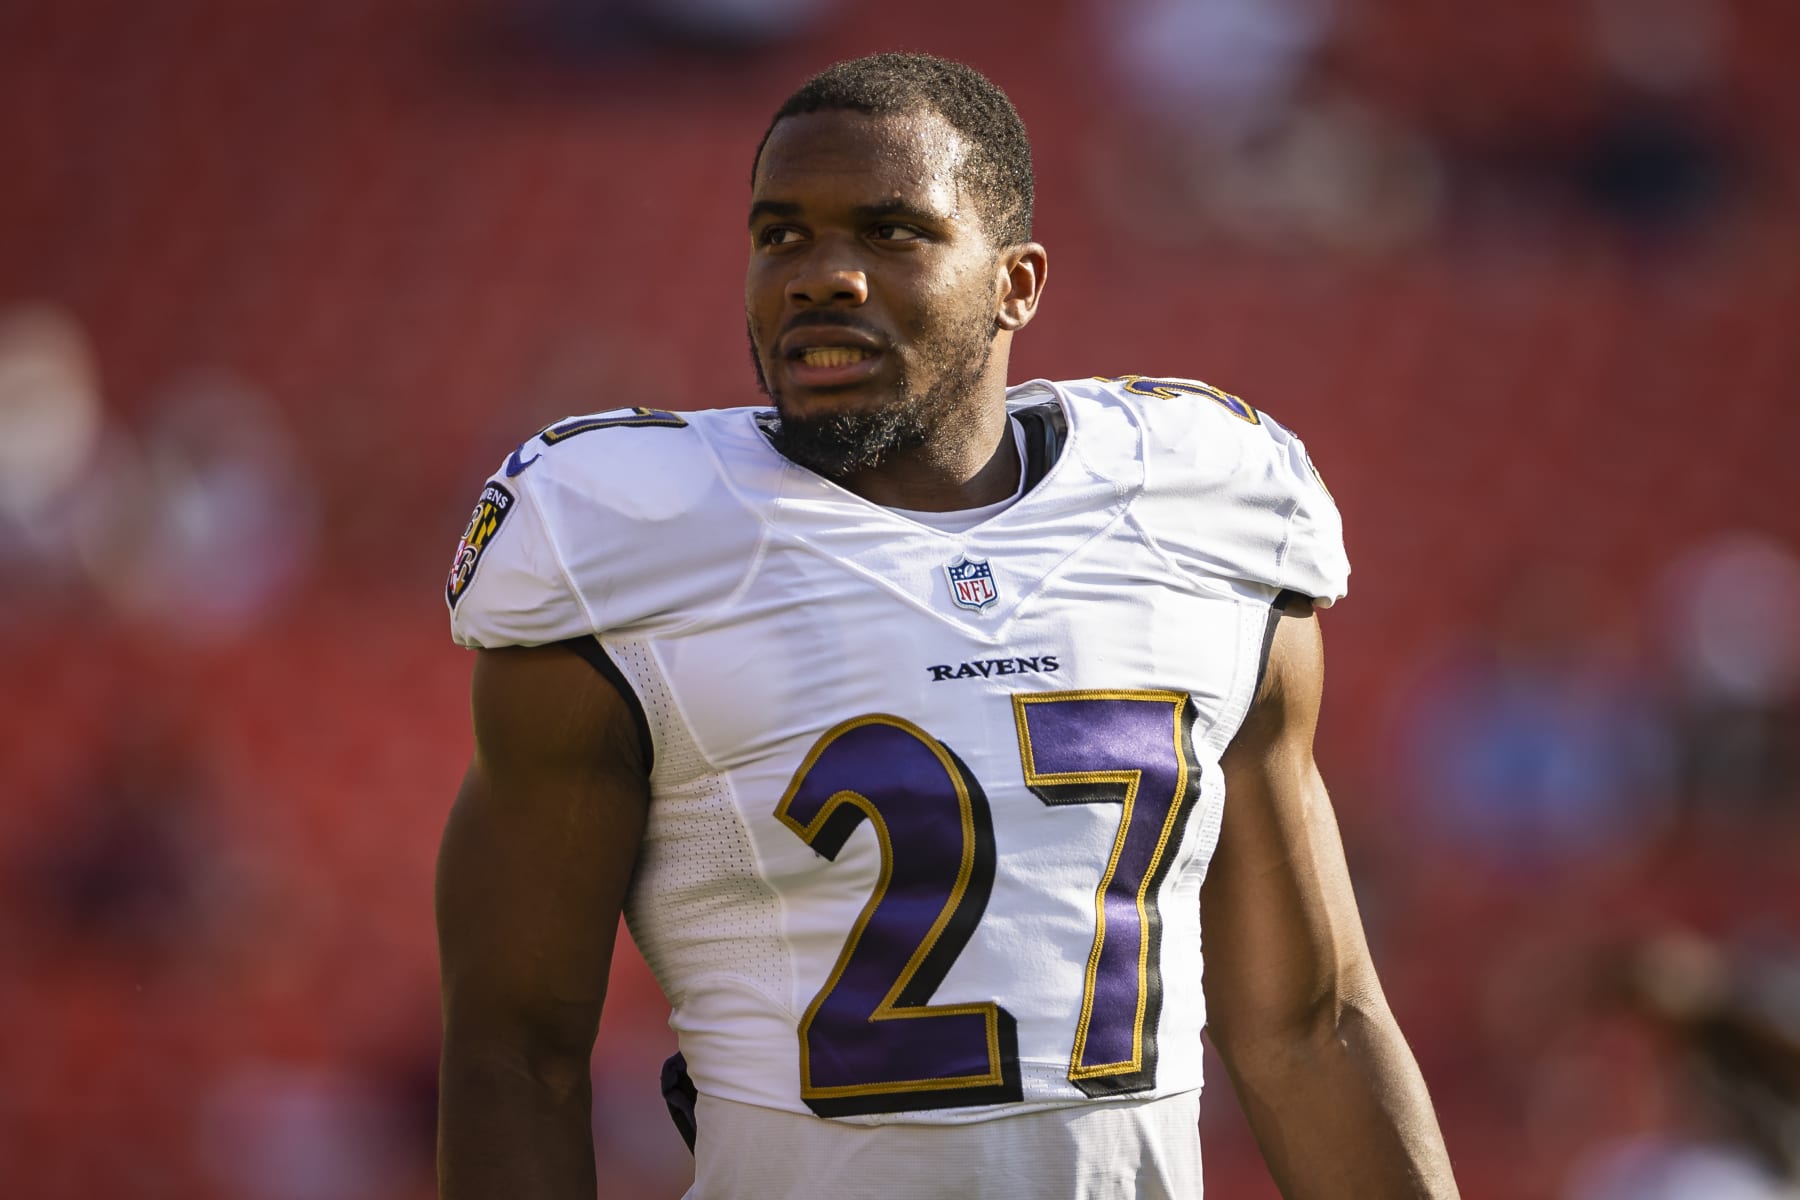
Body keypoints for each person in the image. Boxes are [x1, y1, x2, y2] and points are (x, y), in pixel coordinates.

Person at [435, 52, 1459, 1199]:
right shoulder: (627, 537)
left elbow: (1310, 1026)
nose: (822, 276)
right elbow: (514, 1057)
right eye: (781, 236)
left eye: (889, 233)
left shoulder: (1198, 514)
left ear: (1017, 282)